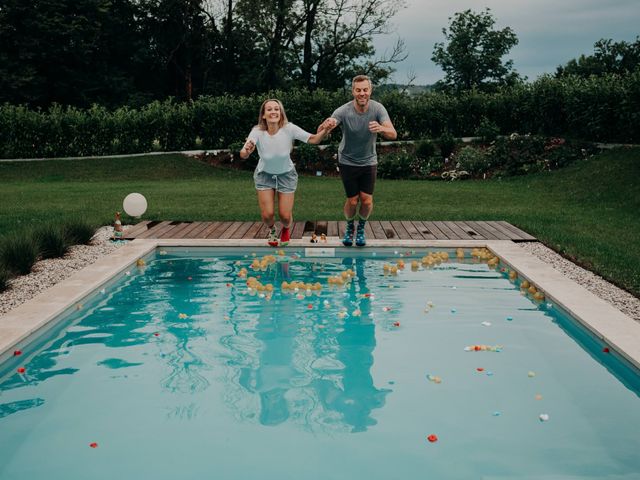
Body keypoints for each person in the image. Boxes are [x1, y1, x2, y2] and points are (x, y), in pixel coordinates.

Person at [240, 99, 329, 247]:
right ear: (263, 115)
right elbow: (243, 153)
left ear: (281, 113)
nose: (273, 112)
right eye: (269, 109)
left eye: (277, 109)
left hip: (286, 175)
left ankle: (286, 228)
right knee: (267, 215)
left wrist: (325, 130)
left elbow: (313, 139)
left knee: (285, 216)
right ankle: (272, 229)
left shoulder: (289, 128)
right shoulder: (257, 131)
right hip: (264, 175)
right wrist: (247, 150)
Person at [321, 75, 397, 247]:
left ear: (370, 91)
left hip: (369, 160)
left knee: (367, 200)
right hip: (347, 160)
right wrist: (328, 125)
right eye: (358, 90)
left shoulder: (378, 109)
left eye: (365, 90)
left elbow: (393, 133)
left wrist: (381, 128)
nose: (362, 93)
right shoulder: (343, 111)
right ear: (353, 91)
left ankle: (360, 229)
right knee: (353, 200)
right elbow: (322, 129)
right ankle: (349, 229)